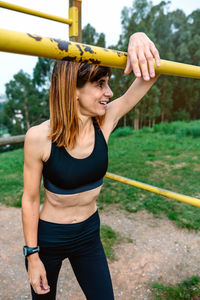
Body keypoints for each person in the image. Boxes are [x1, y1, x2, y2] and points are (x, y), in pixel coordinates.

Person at [21, 32, 160, 300]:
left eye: (107, 83)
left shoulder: (105, 122)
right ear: (73, 88)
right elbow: (29, 199)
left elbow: (149, 76)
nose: (109, 92)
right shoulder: (39, 137)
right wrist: (32, 255)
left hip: (89, 233)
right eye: (100, 84)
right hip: (51, 236)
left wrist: (138, 37)